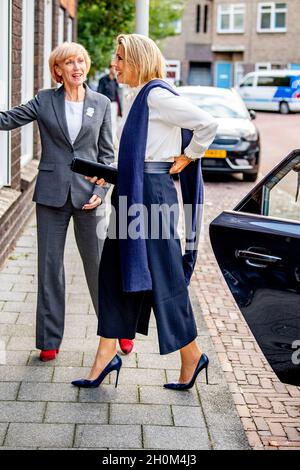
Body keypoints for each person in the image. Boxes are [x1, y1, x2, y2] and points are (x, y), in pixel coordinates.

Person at [71, 34, 218, 390]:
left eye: (120, 58)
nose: (115, 65)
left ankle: (192, 355)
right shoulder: (140, 97)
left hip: (151, 194)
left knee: (166, 276)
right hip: (134, 190)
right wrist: (106, 177)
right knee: (114, 272)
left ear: (136, 60)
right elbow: (138, 156)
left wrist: (189, 155)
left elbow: (207, 123)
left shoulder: (155, 95)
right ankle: (106, 355)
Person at [0, 42, 129, 361]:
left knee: (99, 267)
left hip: (89, 196)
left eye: (81, 61)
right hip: (51, 196)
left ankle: (118, 328)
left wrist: (101, 193)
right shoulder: (45, 100)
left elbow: (107, 155)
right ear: (57, 70)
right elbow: (8, 119)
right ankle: (48, 339)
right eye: (69, 62)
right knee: (49, 268)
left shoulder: (100, 103)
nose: (77, 67)